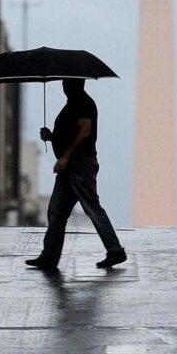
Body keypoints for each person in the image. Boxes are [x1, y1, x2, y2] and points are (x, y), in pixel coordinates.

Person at [25, 78, 127, 270]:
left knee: (91, 208)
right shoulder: (73, 105)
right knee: (56, 211)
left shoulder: (84, 103)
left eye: (67, 83)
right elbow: (70, 134)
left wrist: (65, 157)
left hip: (80, 165)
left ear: (75, 85)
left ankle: (115, 250)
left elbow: (84, 132)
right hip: (69, 168)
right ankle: (49, 256)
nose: (64, 86)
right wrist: (51, 136)